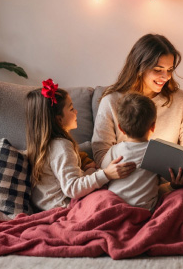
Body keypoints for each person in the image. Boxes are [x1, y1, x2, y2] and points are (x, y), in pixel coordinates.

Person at [27, 79, 136, 211]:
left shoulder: (44, 145)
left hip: (47, 206)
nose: (76, 112)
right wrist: (106, 174)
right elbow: (72, 189)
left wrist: (89, 171)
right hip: (63, 209)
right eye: (72, 108)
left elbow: (66, 182)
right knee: (110, 200)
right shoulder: (62, 146)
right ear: (59, 119)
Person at [92, 34, 183, 165]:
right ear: (139, 68)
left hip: (169, 178)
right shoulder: (111, 102)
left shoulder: (181, 100)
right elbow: (101, 155)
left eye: (170, 70)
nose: (166, 77)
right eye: (158, 70)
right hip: (125, 177)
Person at [100, 93, 163, 210]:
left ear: (120, 128)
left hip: (115, 207)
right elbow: (166, 177)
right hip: (145, 209)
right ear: (153, 126)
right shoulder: (158, 151)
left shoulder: (114, 150)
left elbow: (104, 171)